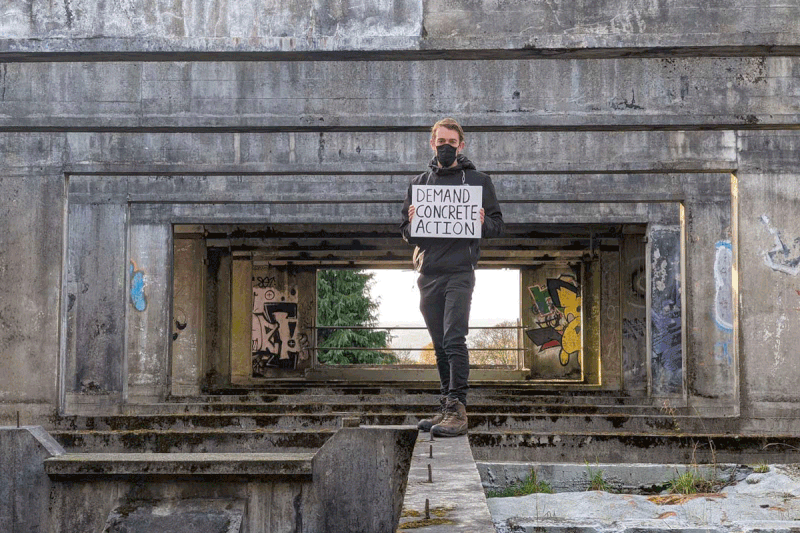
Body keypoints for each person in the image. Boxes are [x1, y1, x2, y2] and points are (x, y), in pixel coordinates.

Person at [400, 118, 504, 437]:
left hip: (460, 272)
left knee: (453, 338)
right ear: (432, 144)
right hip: (428, 273)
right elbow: (404, 232)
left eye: (451, 141)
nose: (445, 146)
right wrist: (413, 222)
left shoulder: (478, 181)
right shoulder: (419, 183)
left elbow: (498, 227)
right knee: (440, 344)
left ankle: (458, 409)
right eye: (440, 140)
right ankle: (446, 404)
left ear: (461, 145)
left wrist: (484, 222)